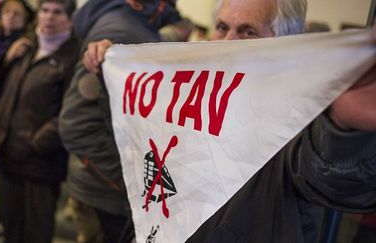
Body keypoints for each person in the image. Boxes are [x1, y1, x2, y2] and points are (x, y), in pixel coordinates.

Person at [83, 0, 376, 242]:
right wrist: (115, 76)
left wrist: (341, 130)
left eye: (248, 32)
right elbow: (140, 139)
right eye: (222, 28)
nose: (228, 42)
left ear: (287, 42)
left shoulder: (302, 114)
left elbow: (335, 178)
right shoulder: (191, 94)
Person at [58, 0, 180, 242]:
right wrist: (135, 183)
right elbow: (76, 124)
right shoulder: (121, 31)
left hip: (102, 182)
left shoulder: (132, 24)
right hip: (107, 188)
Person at [0, 0, 79, 242]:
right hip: (8, 154)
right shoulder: (27, 46)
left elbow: (71, 110)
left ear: (69, 19)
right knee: (11, 228)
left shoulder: (73, 57)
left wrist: (40, 142)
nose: (49, 17)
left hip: (40, 163)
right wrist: (6, 60)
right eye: (45, 11)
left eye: (57, 12)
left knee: (36, 233)